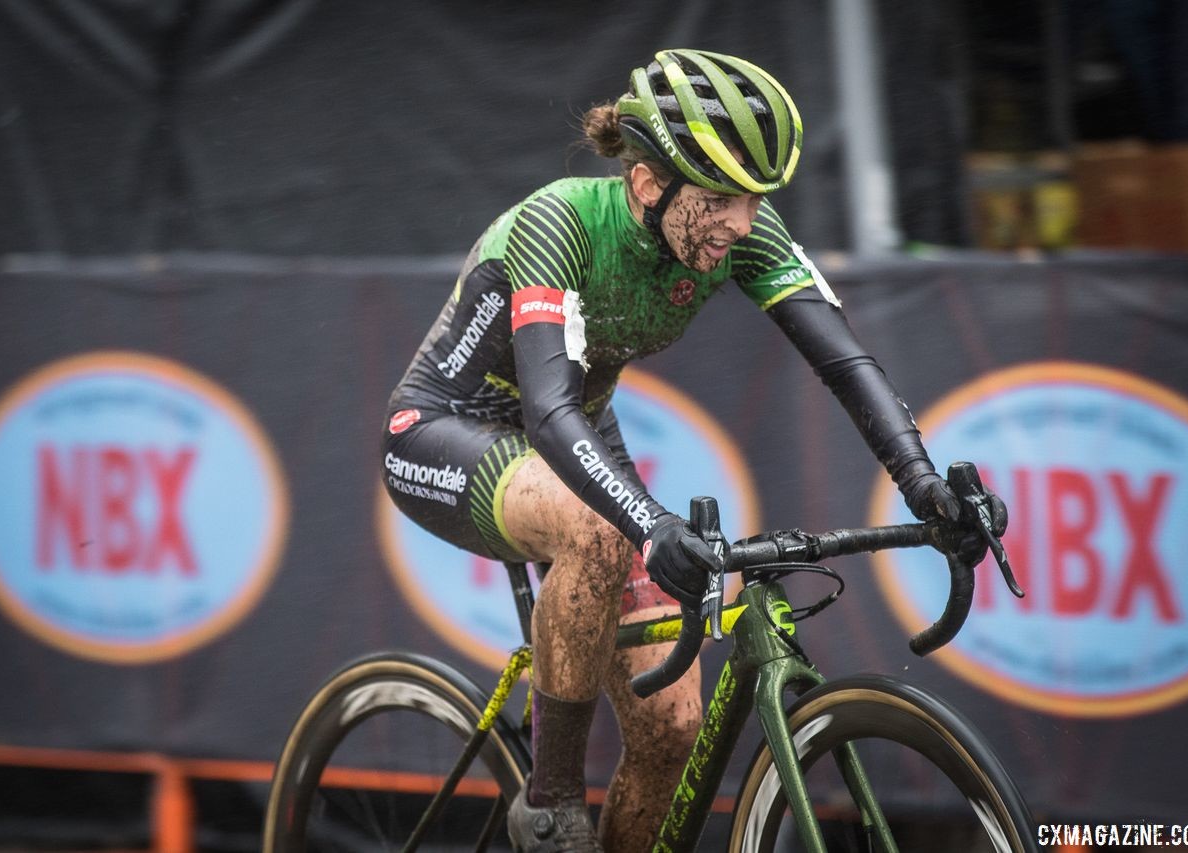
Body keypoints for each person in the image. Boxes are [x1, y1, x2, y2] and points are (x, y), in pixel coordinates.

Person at [383, 48, 1005, 852]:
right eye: (721, 199)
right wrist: (647, 525)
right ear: (648, 184)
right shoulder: (558, 224)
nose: (741, 223)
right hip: (449, 427)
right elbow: (546, 410)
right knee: (604, 529)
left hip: (574, 427)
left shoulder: (737, 228)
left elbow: (843, 361)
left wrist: (922, 484)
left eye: (754, 199)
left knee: (671, 728)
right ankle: (551, 803)